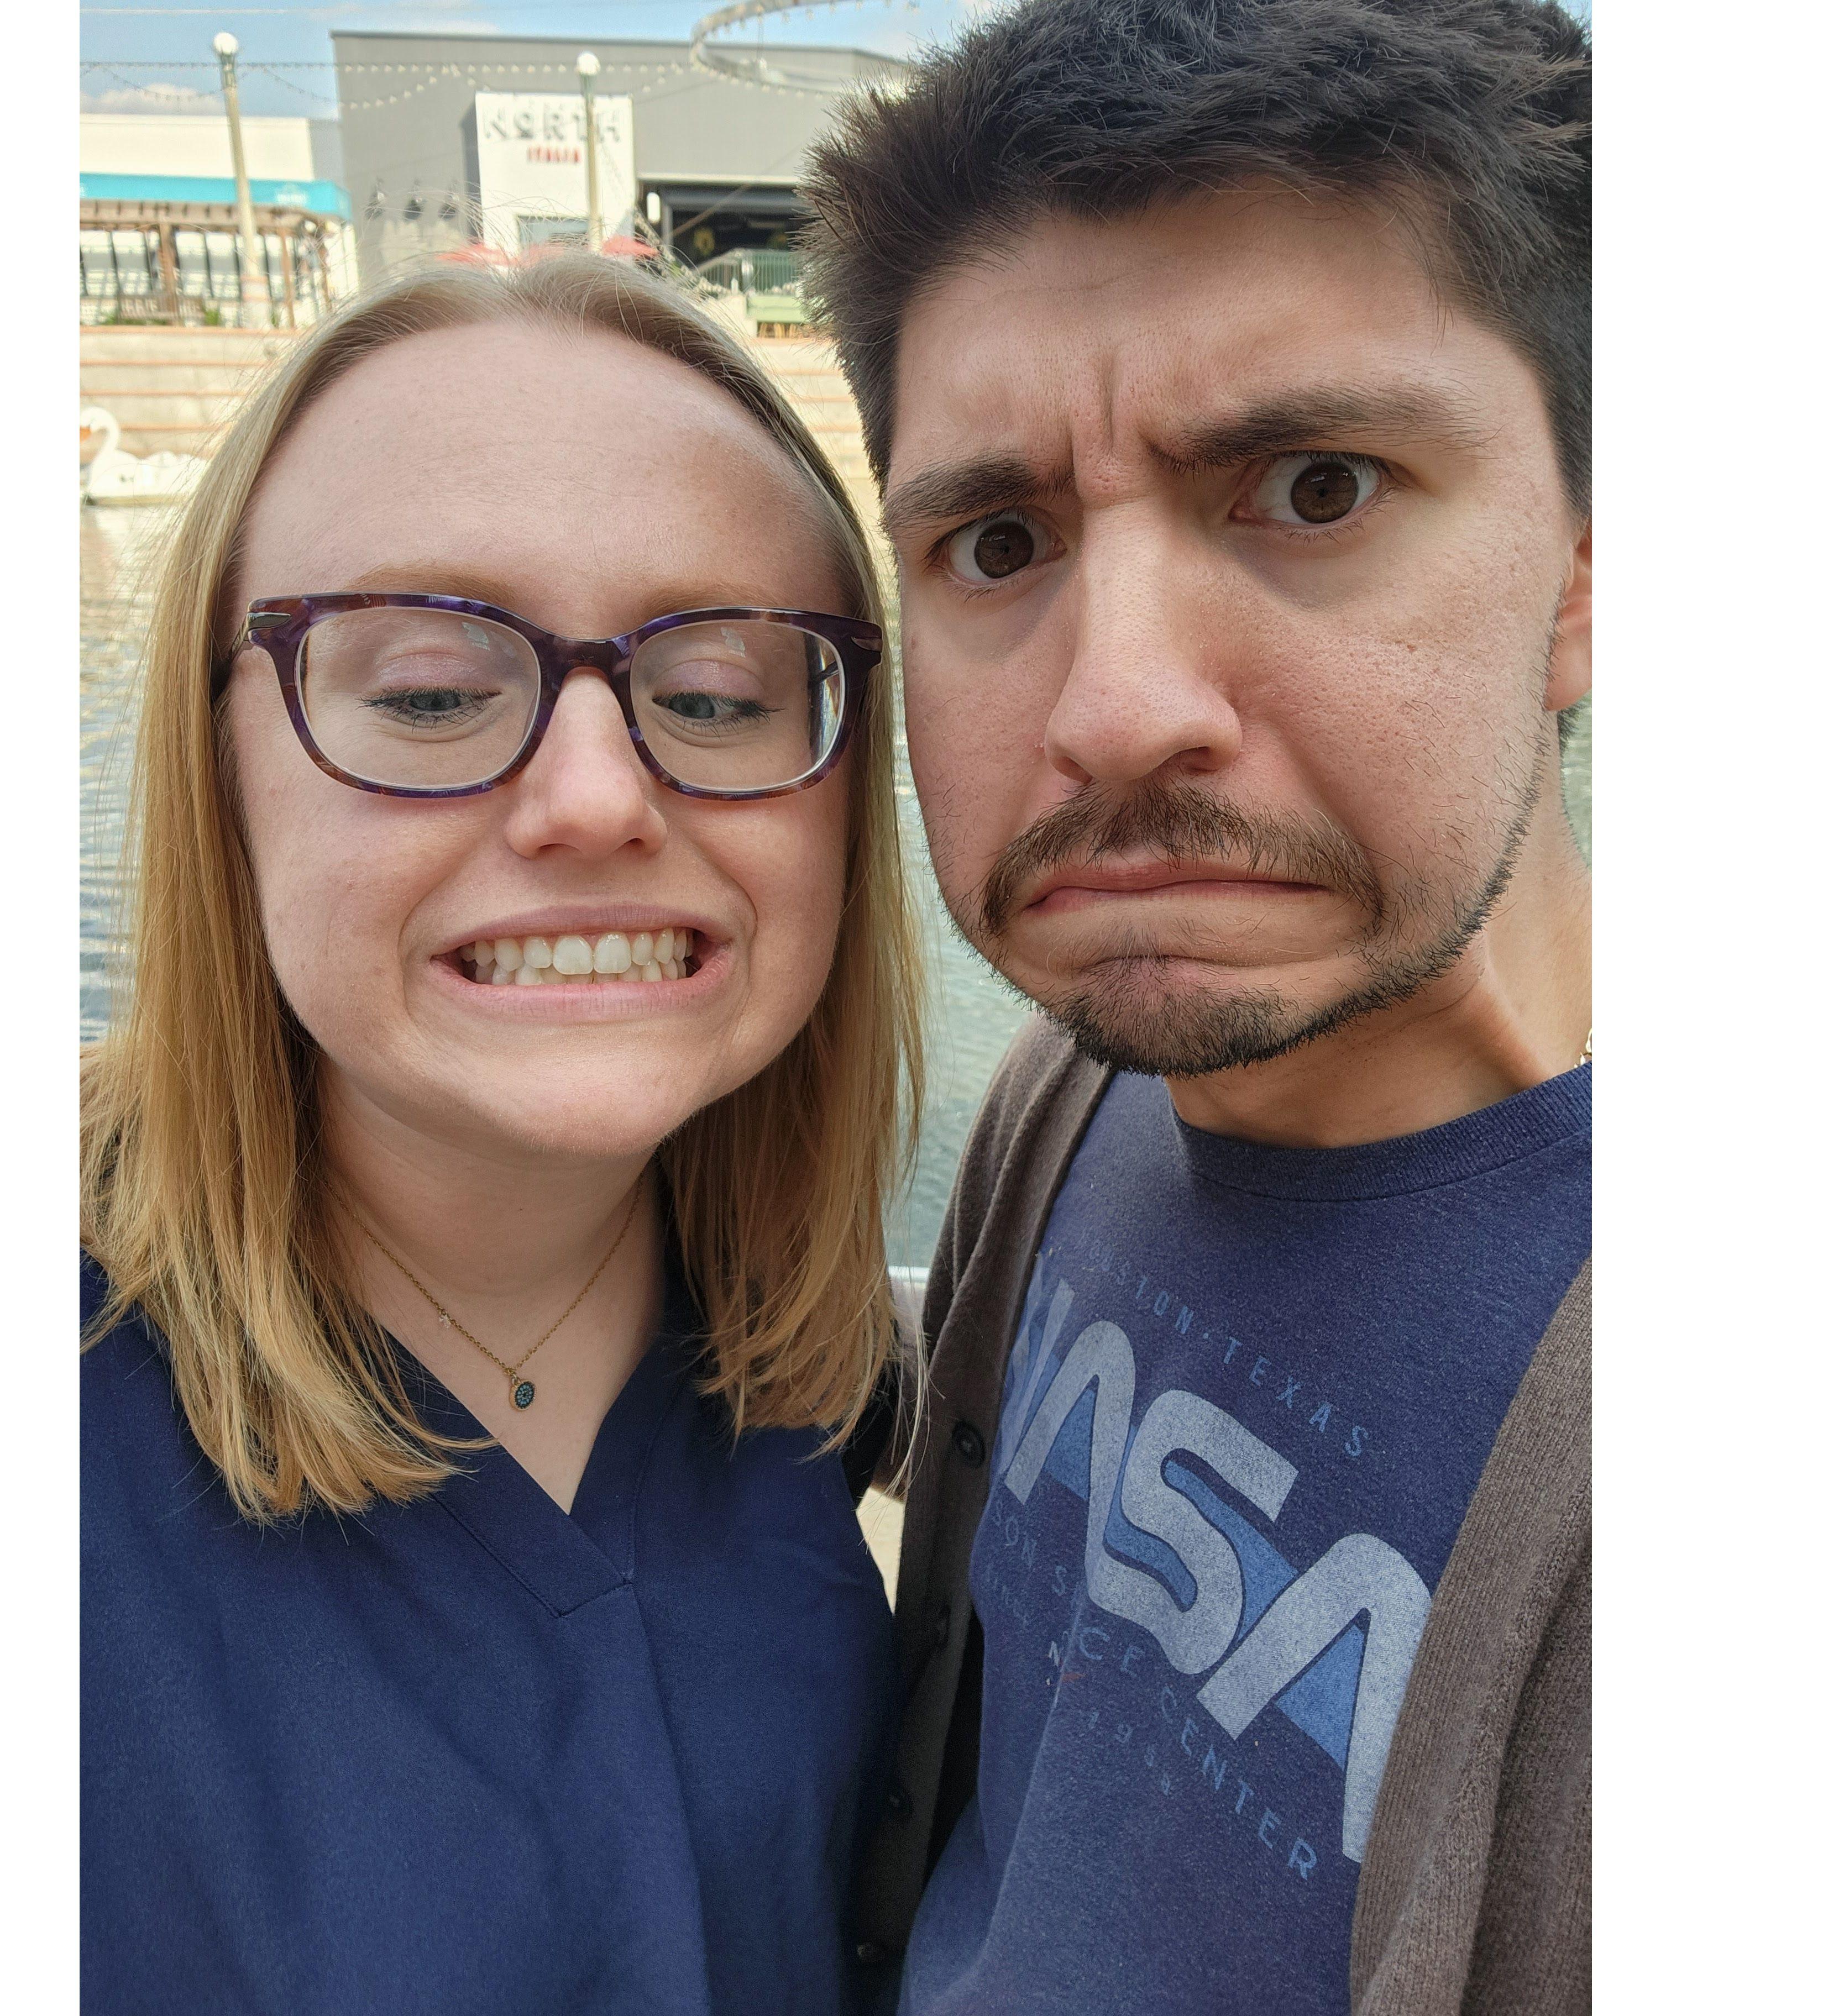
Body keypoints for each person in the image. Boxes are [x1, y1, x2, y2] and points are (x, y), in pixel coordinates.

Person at [803, 1, 1591, 2010]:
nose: (1115, 706)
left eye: (1315, 488)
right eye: (996, 543)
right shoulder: (1071, 1104)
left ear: (1588, 573)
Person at [79, 257, 924, 2015]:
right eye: (427, 692)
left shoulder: (806, 1363)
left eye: (717, 695)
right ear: (218, 775)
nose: (598, 799)